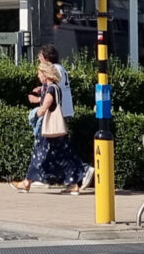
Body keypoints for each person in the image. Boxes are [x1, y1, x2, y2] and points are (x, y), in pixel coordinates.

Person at [13, 63, 84, 194]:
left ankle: (26, 183)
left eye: (39, 73)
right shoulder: (55, 88)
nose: (38, 76)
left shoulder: (51, 89)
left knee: (39, 155)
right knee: (61, 157)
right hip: (56, 132)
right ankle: (73, 184)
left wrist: (34, 115)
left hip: (49, 131)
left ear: (45, 74)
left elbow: (45, 107)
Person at [37, 45, 95, 189]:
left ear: (46, 58)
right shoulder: (60, 68)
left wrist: (41, 101)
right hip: (63, 111)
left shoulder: (54, 70)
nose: (39, 60)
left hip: (57, 113)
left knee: (58, 147)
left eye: (40, 57)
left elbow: (53, 91)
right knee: (54, 147)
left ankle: (83, 170)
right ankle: (45, 176)